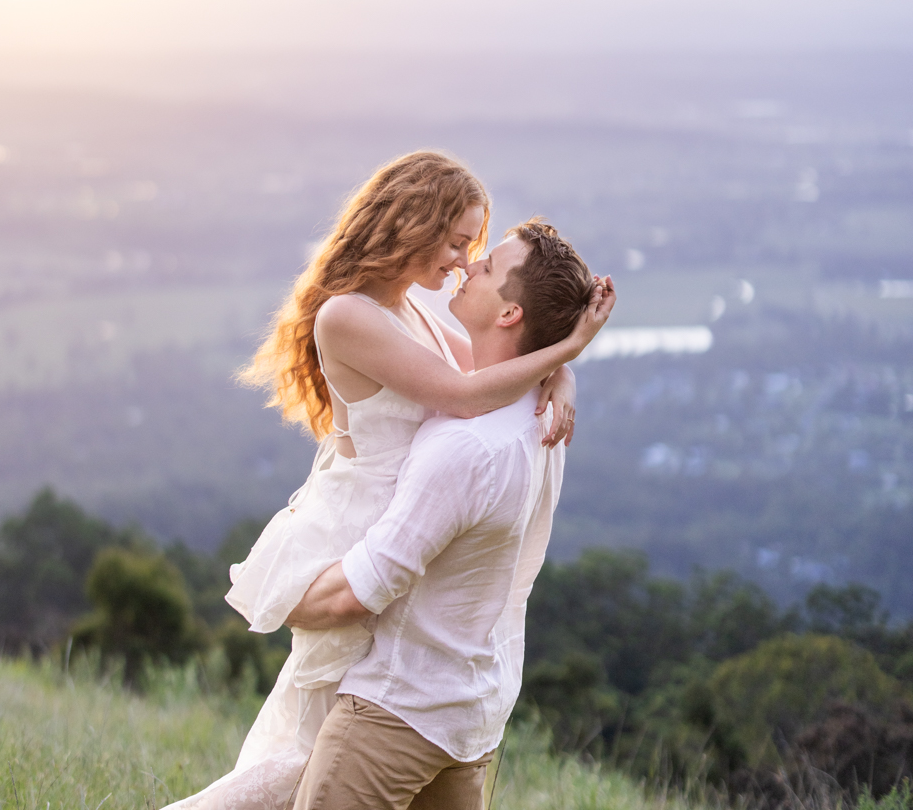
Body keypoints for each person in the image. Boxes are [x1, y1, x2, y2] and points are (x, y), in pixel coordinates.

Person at [161, 152, 612, 810]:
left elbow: (496, 369)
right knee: (310, 758)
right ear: (411, 223)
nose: (462, 262)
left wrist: (558, 372)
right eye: (458, 244)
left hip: (399, 529)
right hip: (353, 531)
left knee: (314, 763)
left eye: (474, 251)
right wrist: (568, 350)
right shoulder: (346, 316)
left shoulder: (414, 310)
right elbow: (462, 394)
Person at [285, 217, 614, 810]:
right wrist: (561, 368)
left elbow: (364, 587)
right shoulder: (539, 413)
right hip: (472, 713)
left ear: (510, 315)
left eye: (486, 267)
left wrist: (282, 598)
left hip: (397, 708)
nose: (468, 265)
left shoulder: (467, 447)